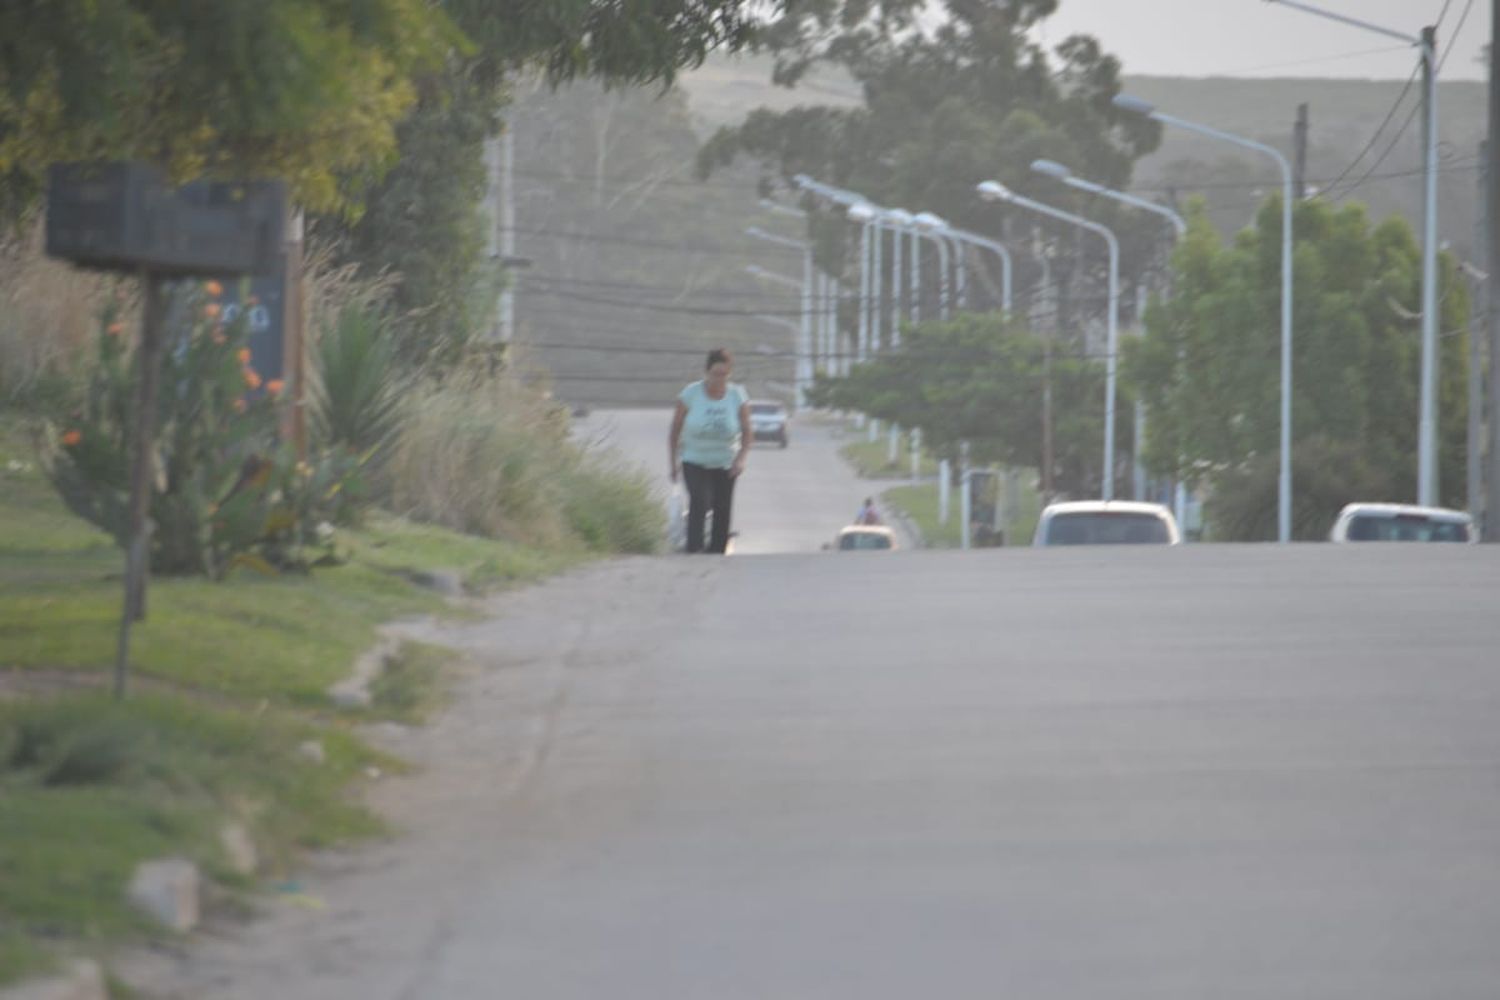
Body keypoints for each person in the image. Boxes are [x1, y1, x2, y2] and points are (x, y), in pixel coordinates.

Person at [669, 349, 751, 554]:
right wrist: (673, 463)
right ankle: (694, 548)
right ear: (706, 372)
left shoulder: (737, 395)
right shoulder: (691, 394)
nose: (719, 379)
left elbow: (748, 430)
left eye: (724, 374)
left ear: (729, 374)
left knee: (722, 508)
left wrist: (741, 459)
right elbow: (675, 429)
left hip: (725, 461)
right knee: (700, 500)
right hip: (694, 459)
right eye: (715, 374)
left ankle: (716, 552)